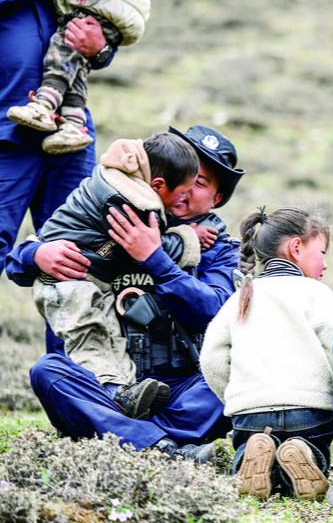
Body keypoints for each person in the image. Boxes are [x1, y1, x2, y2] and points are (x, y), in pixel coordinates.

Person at [13, 124, 244, 463]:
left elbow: (214, 312)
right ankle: (164, 447)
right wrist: (35, 255)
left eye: (201, 183)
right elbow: (23, 262)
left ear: (217, 199)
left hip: (183, 387)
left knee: (232, 373)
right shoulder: (118, 208)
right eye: (187, 177)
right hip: (110, 384)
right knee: (47, 372)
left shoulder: (219, 249)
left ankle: (136, 439)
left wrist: (154, 258)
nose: (188, 190)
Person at [26, 132, 207, 418]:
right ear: (158, 185)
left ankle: (123, 393)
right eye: (183, 192)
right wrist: (187, 238)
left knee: (110, 335)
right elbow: (140, 248)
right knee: (90, 336)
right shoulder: (133, 203)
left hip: (84, 277)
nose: (184, 199)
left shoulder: (120, 175)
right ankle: (112, 394)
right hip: (65, 281)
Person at [201, 206, 333, 501]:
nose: (325, 264)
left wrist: (237, 396)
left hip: (251, 413)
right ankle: (307, 454)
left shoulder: (240, 297)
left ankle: (248, 462)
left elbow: (211, 357)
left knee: (249, 448)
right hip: (309, 411)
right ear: (296, 247)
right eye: (322, 252)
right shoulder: (318, 294)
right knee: (313, 453)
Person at [1, 0, 115, 280]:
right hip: (5, 132)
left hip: (70, 138)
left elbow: (107, 23)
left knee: (75, 250)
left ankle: (67, 328)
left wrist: (100, 48)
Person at [6, 0, 150, 153]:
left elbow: (100, 55)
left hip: (70, 154)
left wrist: (101, 49)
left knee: (65, 45)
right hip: (11, 133)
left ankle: (45, 105)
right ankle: (73, 125)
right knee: (71, 55)